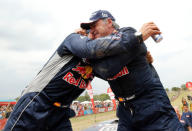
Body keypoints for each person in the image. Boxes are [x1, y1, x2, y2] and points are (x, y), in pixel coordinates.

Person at [4, 14, 149, 131]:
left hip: (61, 112)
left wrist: (141, 55)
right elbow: (92, 49)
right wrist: (137, 37)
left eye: (94, 28)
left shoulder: (97, 61)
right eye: (88, 29)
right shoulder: (73, 39)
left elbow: (113, 72)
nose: (91, 31)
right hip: (37, 102)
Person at [81, 10, 185, 131]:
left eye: (94, 25)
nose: (91, 30)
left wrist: (96, 58)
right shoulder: (99, 49)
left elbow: (107, 69)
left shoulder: (129, 33)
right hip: (125, 110)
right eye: (89, 28)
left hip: (150, 104)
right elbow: (100, 69)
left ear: (109, 22)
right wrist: (86, 38)